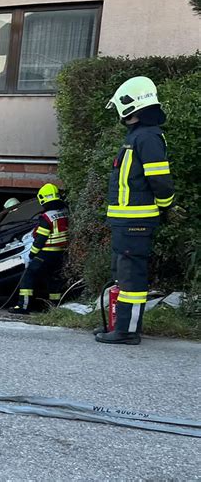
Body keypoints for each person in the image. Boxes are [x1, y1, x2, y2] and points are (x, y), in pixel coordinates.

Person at [96, 76, 175, 345]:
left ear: (131, 105)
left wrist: (167, 206)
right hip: (126, 222)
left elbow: (160, 180)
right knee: (122, 275)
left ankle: (126, 332)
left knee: (131, 279)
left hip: (135, 222)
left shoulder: (148, 137)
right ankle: (119, 326)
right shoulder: (137, 136)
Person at [9, 184, 69, 314]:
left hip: (46, 253)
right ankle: (54, 308)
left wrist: (32, 255)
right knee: (53, 280)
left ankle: (22, 306)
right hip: (60, 254)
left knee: (28, 277)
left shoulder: (46, 217)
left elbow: (41, 239)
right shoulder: (65, 212)